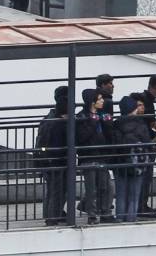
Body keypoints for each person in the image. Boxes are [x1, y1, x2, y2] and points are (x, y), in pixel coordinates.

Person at [76, 89, 113, 224]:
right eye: (100, 99)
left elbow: (110, 135)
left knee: (105, 186)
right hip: (88, 157)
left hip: (102, 156)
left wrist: (108, 123)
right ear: (92, 102)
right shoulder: (81, 117)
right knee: (91, 189)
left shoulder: (103, 114)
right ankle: (92, 215)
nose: (103, 101)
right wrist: (92, 122)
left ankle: (105, 213)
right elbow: (81, 137)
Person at [112, 95, 151, 223]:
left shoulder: (116, 124)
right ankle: (131, 218)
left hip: (120, 162)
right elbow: (148, 144)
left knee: (121, 194)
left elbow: (114, 144)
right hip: (137, 164)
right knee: (134, 194)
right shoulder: (141, 124)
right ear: (134, 109)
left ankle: (120, 218)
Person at [36, 87, 71, 225]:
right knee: (57, 190)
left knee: (53, 190)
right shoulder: (58, 123)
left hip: (49, 161)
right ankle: (53, 216)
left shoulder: (48, 119)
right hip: (57, 161)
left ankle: (53, 214)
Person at [136, 76, 156, 218]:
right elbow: (152, 122)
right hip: (146, 143)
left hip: (143, 141)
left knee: (143, 177)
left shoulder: (142, 99)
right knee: (146, 177)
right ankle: (141, 206)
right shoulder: (147, 102)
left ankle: (140, 205)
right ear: (151, 87)